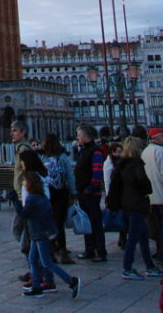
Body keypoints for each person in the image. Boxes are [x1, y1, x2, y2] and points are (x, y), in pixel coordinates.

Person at [9, 171, 81, 299]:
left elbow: (24, 213)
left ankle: (71, 281)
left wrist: (15, 201)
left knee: (46, 262)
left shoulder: (32, 198)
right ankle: (36, 286)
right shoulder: (41, 196)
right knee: (33, 260)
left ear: (30, 183)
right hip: (40, 232)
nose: (23, 183)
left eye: (25, 181)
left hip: (39, 233)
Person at [107, 135, 163, 281]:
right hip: (137, 203)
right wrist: (148, 189)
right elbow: (143, 182)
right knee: (133, 238)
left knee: (143, 236)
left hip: (126, 203)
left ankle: (149, 266)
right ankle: (127, 268)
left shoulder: (122, 165)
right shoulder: (137, 164)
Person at [142, 127, 163, 265]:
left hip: (150, 198)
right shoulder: (162, 152)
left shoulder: (145, 152)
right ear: (155, 138)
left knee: (155, 227)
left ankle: (158, 251)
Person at [75, 124, 107, 262]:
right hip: (83, 192)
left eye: (78, 135)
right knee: (86, 223)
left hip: (91, 194)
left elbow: (97, 173)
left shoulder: (95, 151)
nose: (77, 137)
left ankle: (100, 251)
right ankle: (89, 249)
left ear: (84, 136)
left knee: (95, 223)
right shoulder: (84, 150)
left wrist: (90, 188)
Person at [40, 134, 74, 264]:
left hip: (47, 192)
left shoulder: (43, 157)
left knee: (49, 222)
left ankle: (51, 250)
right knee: (59, 223)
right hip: (61, 192)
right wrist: (73, 191)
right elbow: (70, 175)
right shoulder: (63, 156)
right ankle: (63, 251)